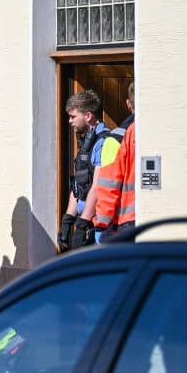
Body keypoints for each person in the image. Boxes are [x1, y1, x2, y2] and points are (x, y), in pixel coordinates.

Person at [58, 90, 119, 252]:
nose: (70, 121)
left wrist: (83, 223)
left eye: (73, 117)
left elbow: (97, 186)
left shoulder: (104, 142)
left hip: (99, 225)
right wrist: (68, 219)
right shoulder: (85, 141)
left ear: (88, 116)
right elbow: (79, 184)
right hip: (85, 219)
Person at [93, 83, 136, 240]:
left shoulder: (118, 137)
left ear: (128, 104)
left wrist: (101, 222)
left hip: (126, 222)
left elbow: (109, 183)